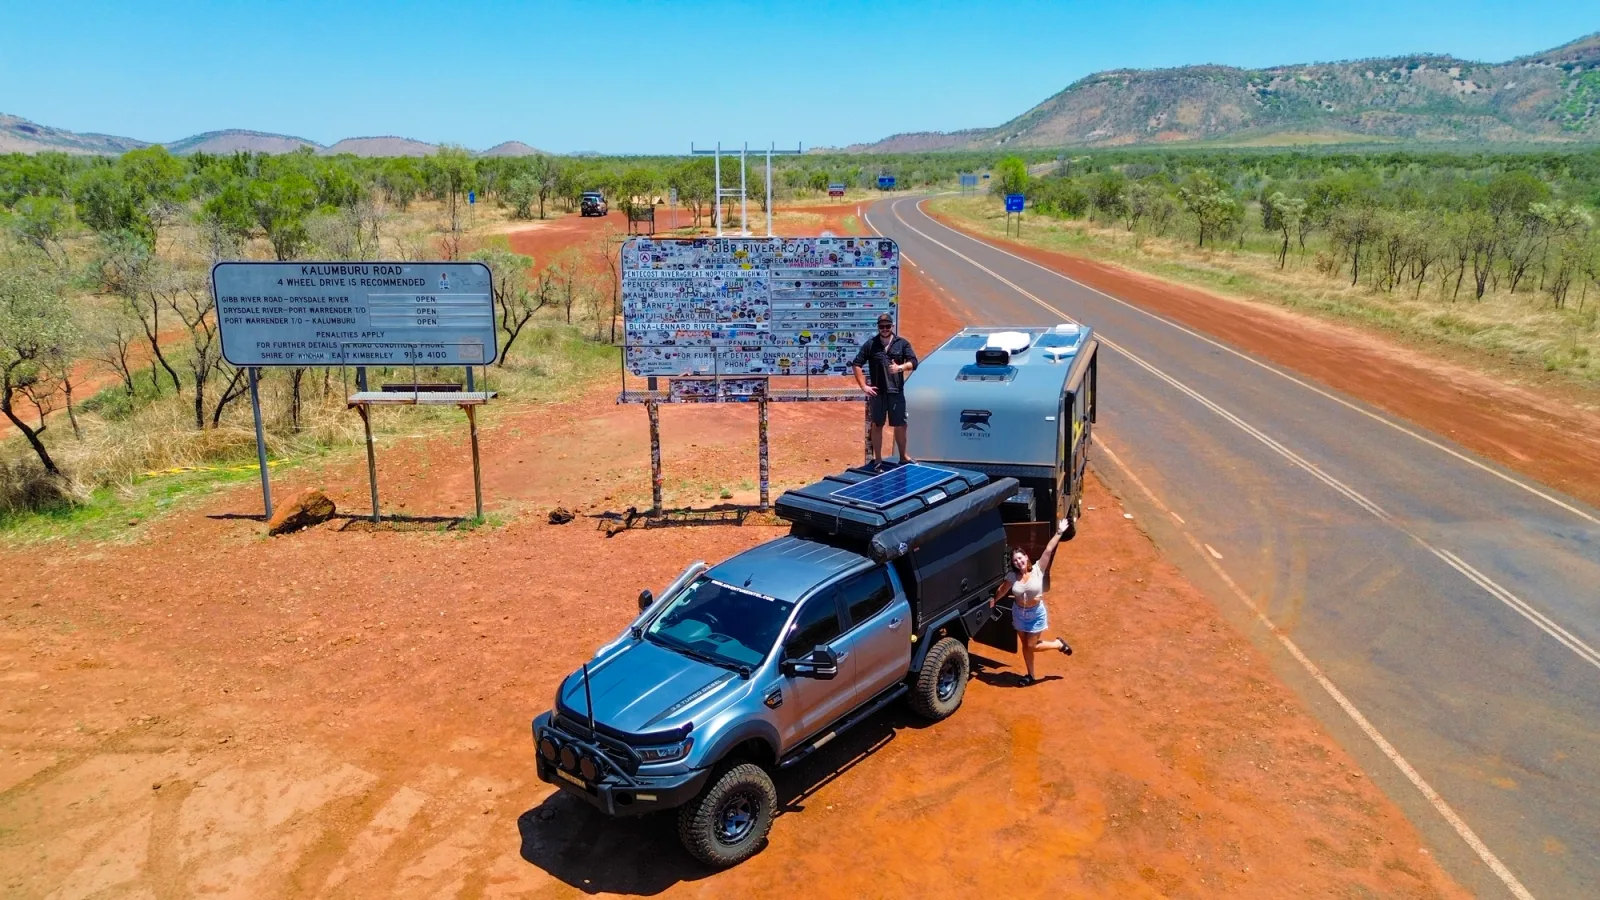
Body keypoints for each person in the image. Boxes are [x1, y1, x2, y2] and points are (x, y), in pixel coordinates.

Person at [990, 518, 1074, 685]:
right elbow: (1003, 589)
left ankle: (1057, 644)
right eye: (1015, 560)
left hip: (1036, 614)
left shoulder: (1038, 569)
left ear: (1026, 557)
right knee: (1025, 646)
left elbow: (1049, 549)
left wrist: (1059, 532)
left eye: (1020, 558)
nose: (1018, 562)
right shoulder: (1013, 576)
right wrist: (994, 600)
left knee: (1031, 646)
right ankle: (1030, 675)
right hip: (1019, 614)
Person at [851, 313, 917, 467]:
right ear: (878, 328)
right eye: (882, 327)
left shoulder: (902, 344)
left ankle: (903, 457)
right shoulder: (870, 345)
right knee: (877, 424)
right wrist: (863, 386)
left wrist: (900, 367)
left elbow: (914, 362)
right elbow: (856, 364)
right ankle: (878, 460)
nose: (885, 329)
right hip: (878, 393)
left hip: (896, 392)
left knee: (900, 424)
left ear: (892, 326)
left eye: (888, 326)